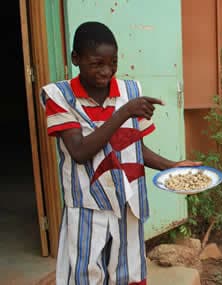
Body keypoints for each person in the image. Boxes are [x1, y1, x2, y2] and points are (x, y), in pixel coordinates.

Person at [40, 21, 201, 285]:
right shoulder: (59, 96)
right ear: (75, 59)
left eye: (112, 62)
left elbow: (134, 147)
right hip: (86, 209)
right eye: (97, 64)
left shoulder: (129, 91)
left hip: (128, 206)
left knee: (128, 274)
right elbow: (79, 152)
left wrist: (173, 167)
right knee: (85, 275)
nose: (107, 71)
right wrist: (124, 112)